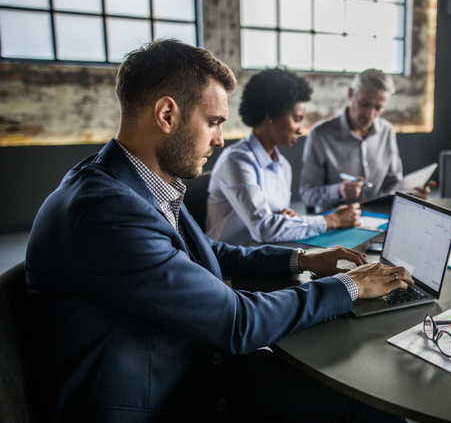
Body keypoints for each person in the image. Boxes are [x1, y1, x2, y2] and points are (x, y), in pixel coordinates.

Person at [24, 39, 411, 422]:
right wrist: (352, 286)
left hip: (186, 364)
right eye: (213, 123)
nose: (220, 139)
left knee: (366, 408)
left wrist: (303, 259)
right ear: (166, 114)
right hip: (160, 400)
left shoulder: (136, 181)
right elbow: (237, 321)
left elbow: (207, 250)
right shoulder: (105, 210)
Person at [206, 68, 361, 245]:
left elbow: (275, 222)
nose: (300, 129)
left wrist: (289, 219)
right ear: (271, 115)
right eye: (296, 119)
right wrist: (333, 220)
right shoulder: (236, 162)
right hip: (228, 266)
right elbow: (265, 228)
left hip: (266, 255)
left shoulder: (283, 166)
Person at [299, 68, 432, 213]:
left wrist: (412, 192)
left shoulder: (386, 131)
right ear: (350, 94)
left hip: (374, 219)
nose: (370, 114)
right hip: (333, 222)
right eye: (364, 104)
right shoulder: (320, 134)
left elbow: (392, 185)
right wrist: (339, 191)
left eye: (378, 108)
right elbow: (307, 194)